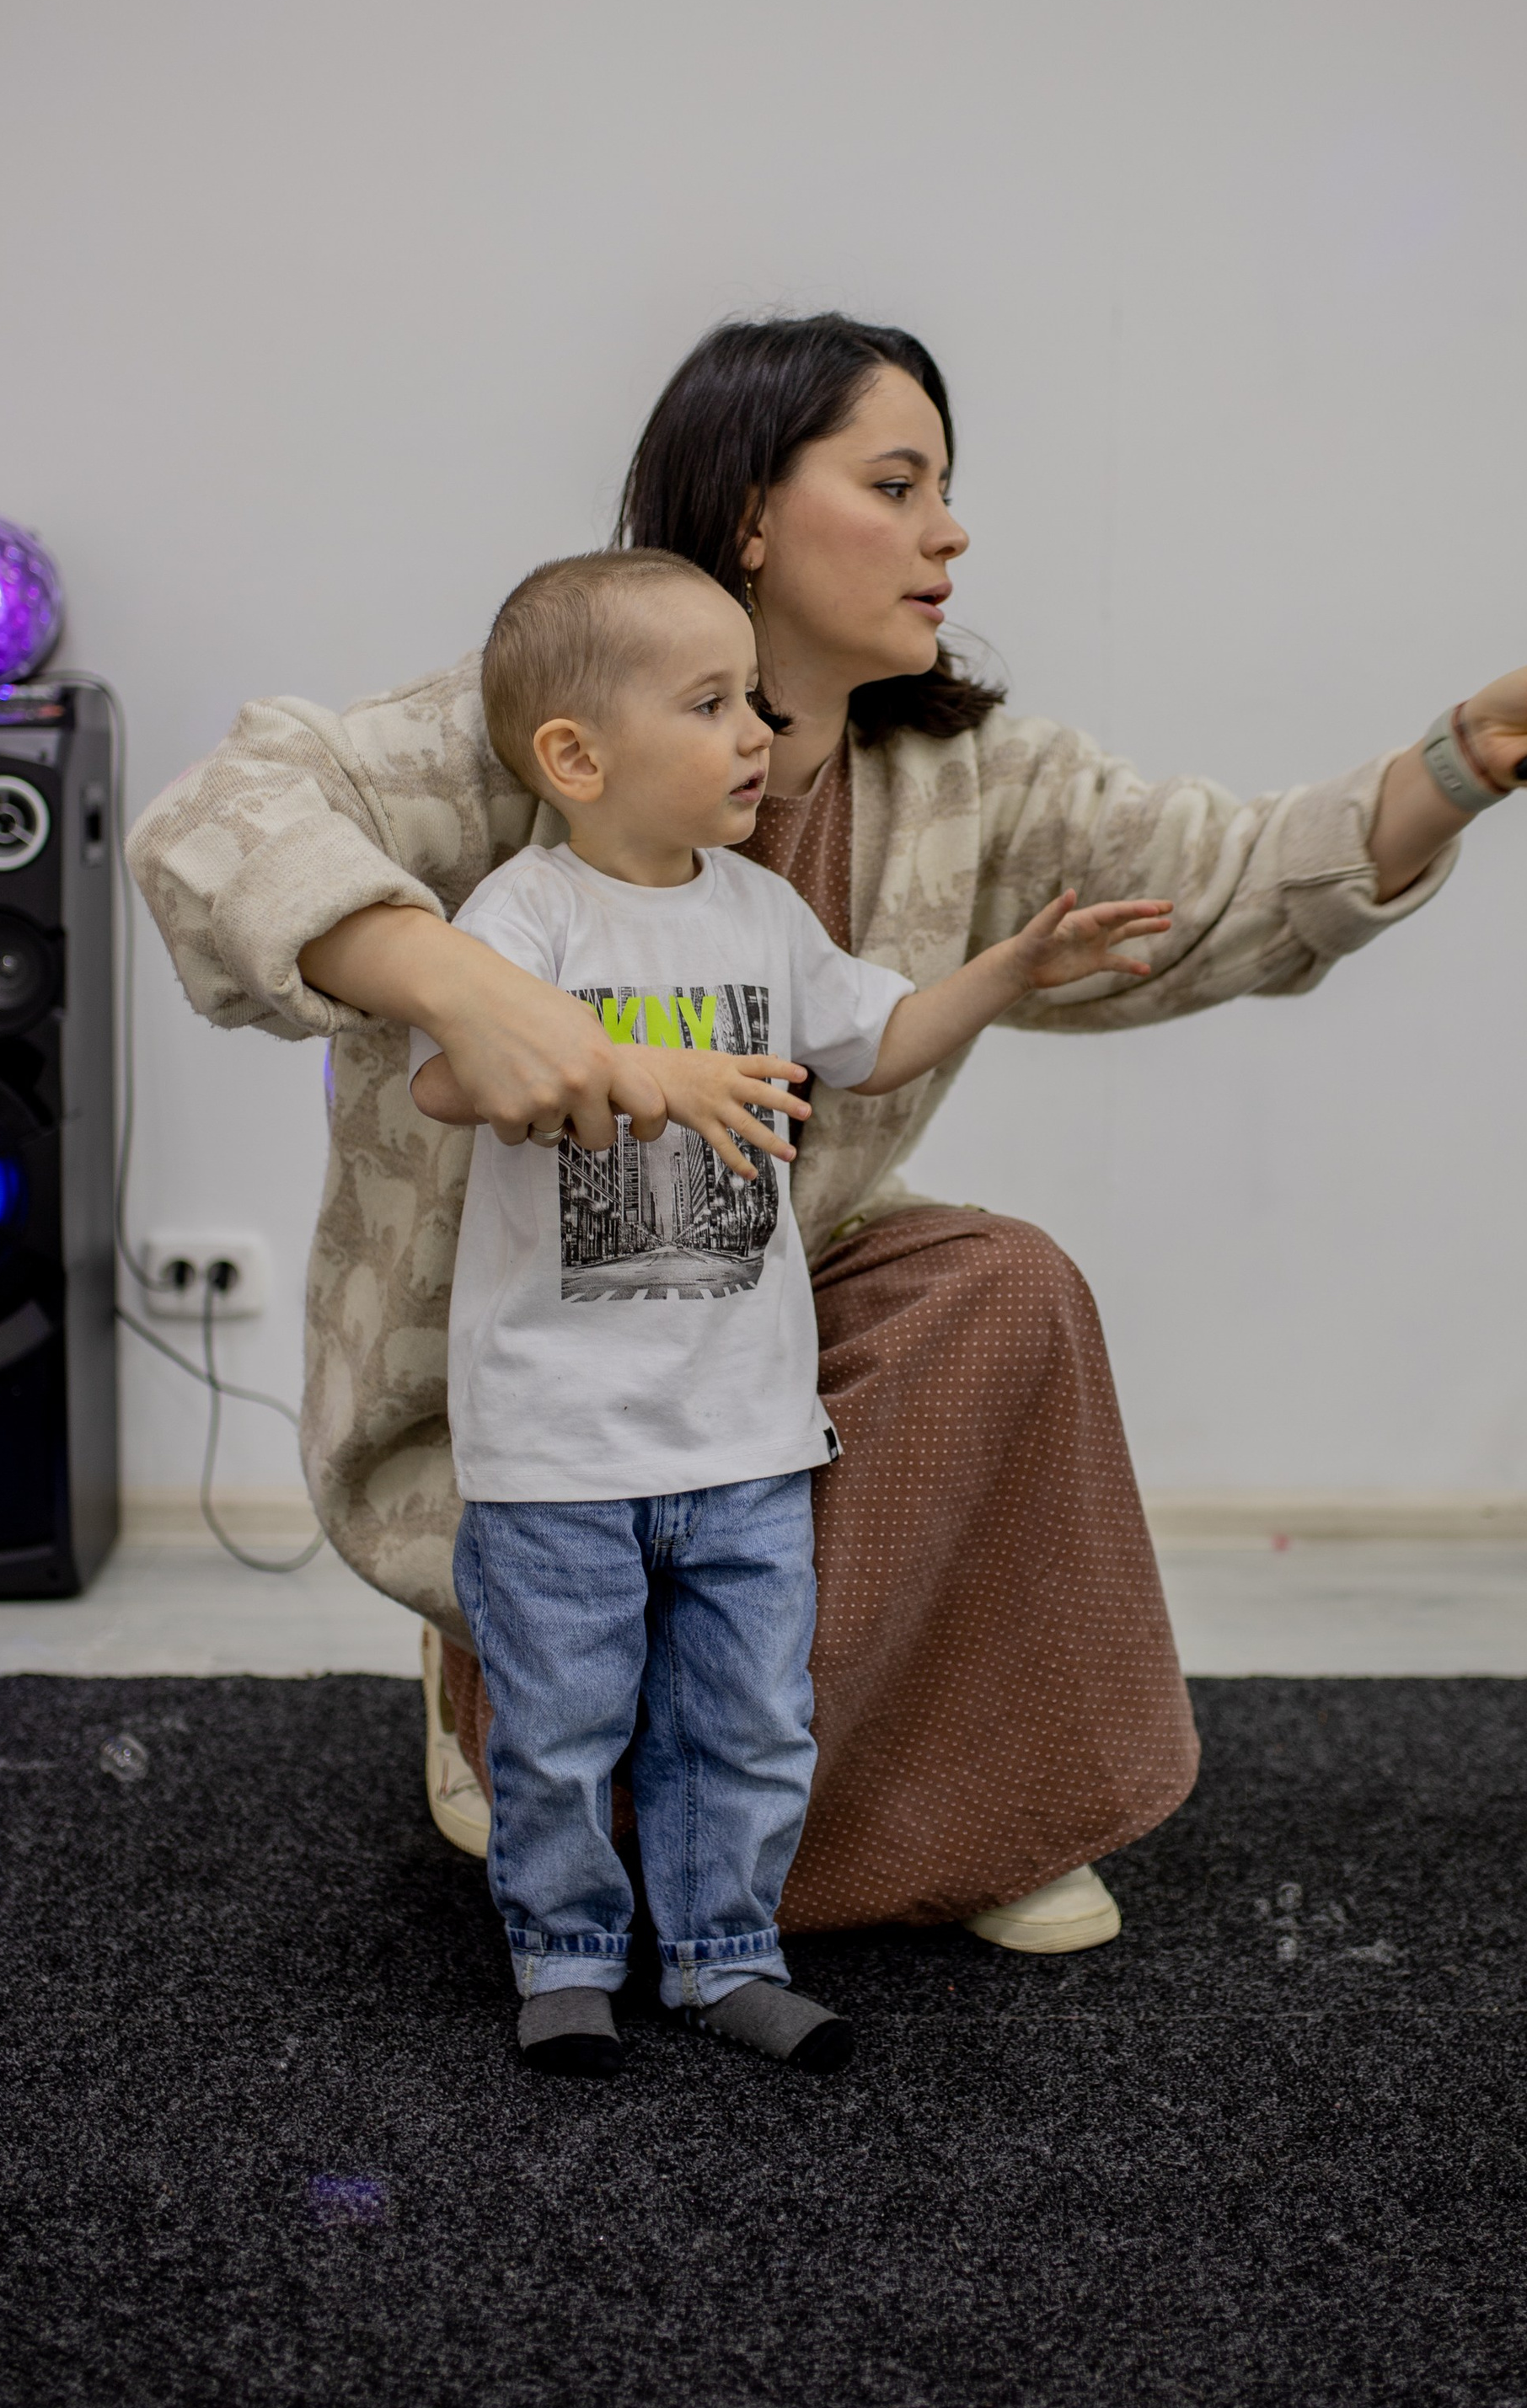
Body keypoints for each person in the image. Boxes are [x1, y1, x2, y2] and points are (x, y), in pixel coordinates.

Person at [128, 312, 1527, 1958]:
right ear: (745, 518)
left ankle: (951, 1815)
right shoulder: (540, 721)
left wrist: (1460, 761)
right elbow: (212, 824)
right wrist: (450, 982)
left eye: (948, 486)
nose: (949, 530)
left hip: (744, 1324)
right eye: (895, 481)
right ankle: (505, 1683)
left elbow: (1219, 880)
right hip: (521, 1394)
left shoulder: (963, 776)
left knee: (1001, 1289)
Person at [421, 546, 1171, 2075]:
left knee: (749, 1719)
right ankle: (566, 1956)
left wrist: (1012, 971)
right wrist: (647, 1074)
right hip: (565, 1448)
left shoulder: (759, 914)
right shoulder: (526, 919)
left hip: (743, 1434)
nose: (759, 732)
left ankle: (723, 1953)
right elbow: (454, 1074)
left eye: (753, 699)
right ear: (576, 756)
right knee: (564, 1728)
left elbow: (882, 1040)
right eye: (710, 704)